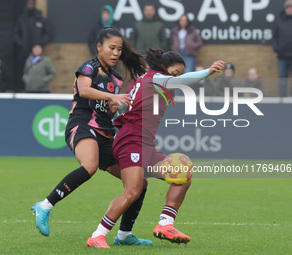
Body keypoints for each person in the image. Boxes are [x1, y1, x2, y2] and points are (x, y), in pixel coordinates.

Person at [87, 48, 225, 248]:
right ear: (163, 68)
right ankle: (97, 236)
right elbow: (180, 82)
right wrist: (207, 72)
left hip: (144, 143)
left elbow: (127, 105)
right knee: (133, 190)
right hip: (131, 140)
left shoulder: (144, 80)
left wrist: (117, 108)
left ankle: (164, 224)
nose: (175, 78)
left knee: (182, 175)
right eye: (174, 73)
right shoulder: (157, 78)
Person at [31, 27, 152, 246]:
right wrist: (112, 96)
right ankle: (45, 205)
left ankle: (124, 235)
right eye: (111, 48)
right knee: (90, 166)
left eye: (119, 49)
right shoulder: (89, 67)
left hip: (105, 133)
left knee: (140, 183)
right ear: (99, 47)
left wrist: (114, 106)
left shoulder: (115, 77)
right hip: (82, 124)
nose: (115, 53)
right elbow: (84, 90)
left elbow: (107, 108)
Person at [14, 0, 52, 92]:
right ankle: (24, 89)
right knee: (24, 71)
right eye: (28, 3)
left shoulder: (41, 19)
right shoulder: (22, 18)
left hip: (38, 53)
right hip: (24, 52)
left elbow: (47, 34)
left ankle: (39, 89)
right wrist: (21, 44)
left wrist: (40, 44)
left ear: (35, 5)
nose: (30, 5)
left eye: (32, 3)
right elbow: (16, 34)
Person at [272, 0, 292, 97]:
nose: (290, 9)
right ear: (285, 9)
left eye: (291, 7)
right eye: (288, 7)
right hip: (282, 56)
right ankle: (282, 99)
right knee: (283, 79)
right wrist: (277, 48)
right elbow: (274, 37)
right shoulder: (279, 21)